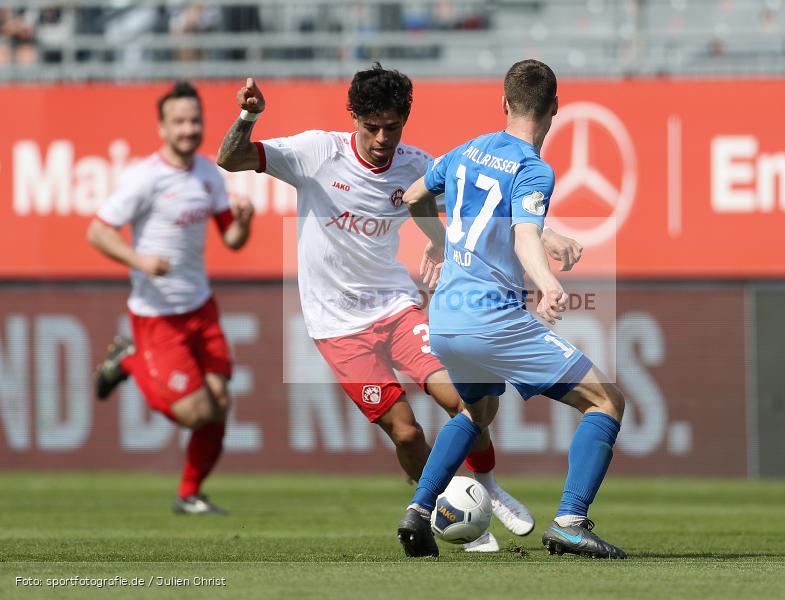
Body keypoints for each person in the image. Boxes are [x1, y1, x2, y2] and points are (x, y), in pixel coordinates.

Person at [215, 64, 581, 550]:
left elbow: (492, 206)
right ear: (355, 120)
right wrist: (247, 117)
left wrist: (545, 233)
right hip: (336, 327)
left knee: (462, 401)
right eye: (372, 127)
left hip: (396, 307)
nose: (382, 138)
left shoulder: (415, 164)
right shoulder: (315, 153)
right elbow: (231, 158)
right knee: (406, 433)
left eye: (393, 126)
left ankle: (488, 489)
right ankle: (452, 511)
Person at [396, 59, 627, 559]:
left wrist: (440, 242)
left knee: (477, 411)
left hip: (446, 319)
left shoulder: (465, 151)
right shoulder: (533, 168)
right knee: (606, 402)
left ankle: (417, 510)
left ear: (503, 104)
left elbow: (414, 197)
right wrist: (547, 283)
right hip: (492, 319)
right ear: (555, 110)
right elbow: (522, 234)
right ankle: (570, 520)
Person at [88, 80, 255, 516]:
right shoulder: (144, 178)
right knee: (193, 412)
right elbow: (98, 230)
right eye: (179, 121)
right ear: (162, 128)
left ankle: (189, 494)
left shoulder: (206, 172)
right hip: (158, 316)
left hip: (200, 306)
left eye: (194, 120)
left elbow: (232, 240)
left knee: (220, 405)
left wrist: (244, 221)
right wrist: (139, 259)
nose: (189, 128)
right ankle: (127, 359)